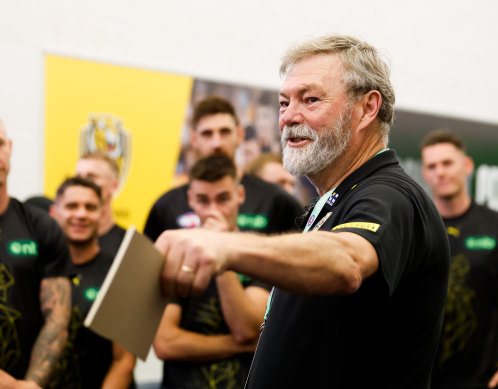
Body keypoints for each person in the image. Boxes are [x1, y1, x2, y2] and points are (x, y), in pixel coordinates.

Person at [155, 34, 450, 388]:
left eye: (310, 100)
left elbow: (347, 260)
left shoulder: (390, 194)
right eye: (283, 103)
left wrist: (227, 246)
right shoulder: (334, 199)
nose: (289, 117)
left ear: (368, 108)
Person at [420, 129, 498, 389]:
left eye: (447, 163)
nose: (440, 172)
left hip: (484, 377)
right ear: (425, 174)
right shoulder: (415, 224)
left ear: (467, 166)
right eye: (432, 166)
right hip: (423, 377)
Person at [154, 156, 270, 389]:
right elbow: (165, 342)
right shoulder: (178, 255)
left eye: (223, 199)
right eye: (203, 200)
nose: (213, 210)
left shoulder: (260, 252)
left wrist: (220, 253)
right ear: (190, 200)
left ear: (240, 196)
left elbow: (247, 330)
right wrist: (237, 344)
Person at [143, 96, 304, 241]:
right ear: (193, 139)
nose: (217, 143)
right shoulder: (167, 205)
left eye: (224, 132)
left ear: (240, 135)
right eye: (207, 134)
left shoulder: (276, 201)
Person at [0, 119, 72, 388]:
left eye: (0, 144)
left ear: (10, 148)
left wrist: (31, 384)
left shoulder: (40, 225)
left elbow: (57, 320)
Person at [48, 176, 136, 389]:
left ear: (103, 214)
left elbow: (124, 361)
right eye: (71, 206)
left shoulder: (120, 274)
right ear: (54, 213)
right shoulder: (38, 272)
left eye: (90, 207)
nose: (81, 214)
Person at [75, 151, 126, 258]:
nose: (82, 183)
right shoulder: (60, 243)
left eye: (91, 177)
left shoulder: (128, 246)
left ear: (114, 186)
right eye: (78, 177)